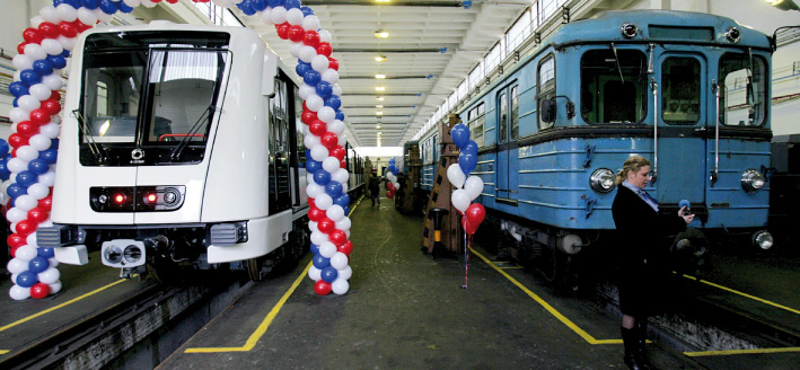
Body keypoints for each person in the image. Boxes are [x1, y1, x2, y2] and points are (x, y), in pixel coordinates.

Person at [611, 155, 694, 370]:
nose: (648, 178)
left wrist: (676, 218)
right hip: (632, 263)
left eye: (648, 174)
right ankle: (631, 357)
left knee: (641, 310)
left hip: (643, 263)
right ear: (631, 174)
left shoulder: (638, 195)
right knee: (631, 310)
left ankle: (639, 355)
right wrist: (678, 222)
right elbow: (647, 228)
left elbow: (652, 222)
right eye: (644, 174)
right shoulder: (624, 199)